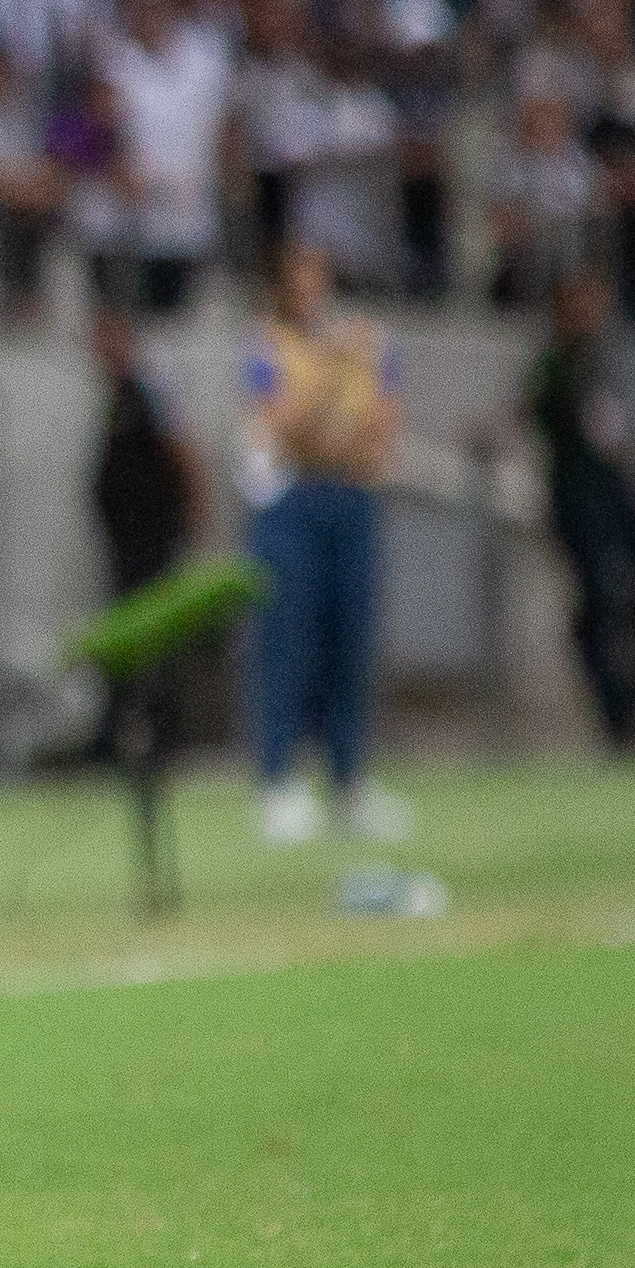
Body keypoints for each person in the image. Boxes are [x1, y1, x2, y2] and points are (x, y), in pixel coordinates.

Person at [240, 239, 405, 844]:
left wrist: (336, 430)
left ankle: (349, 782)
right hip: (292, 501)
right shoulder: (269, 344)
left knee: (351, 642)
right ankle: (278, 780)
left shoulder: (368, 339)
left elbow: (384, 423)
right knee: (286, 640)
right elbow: (278, 425)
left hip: (352, 498)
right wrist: (328, 419)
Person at [528, 264, 635, 753]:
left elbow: (610, 430)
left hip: (615, 497)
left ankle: (633, 691)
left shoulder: (595, 358)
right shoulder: (556, 364)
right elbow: (550, 416)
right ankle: (622, 715)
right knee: (600, 603)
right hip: (581, 501)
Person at [85, 302, 199, 761]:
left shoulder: (151, 391)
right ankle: (120, 731)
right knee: (123, 639)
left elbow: (183, 455)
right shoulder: (116, 396)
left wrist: (188, 523)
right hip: (125, 542)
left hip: (151, 540)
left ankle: (162, 735)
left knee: (154, 639)